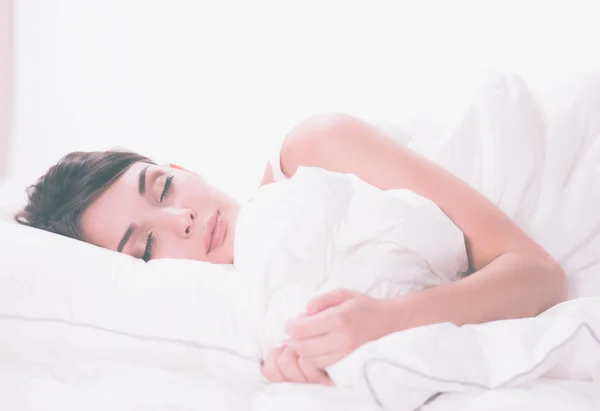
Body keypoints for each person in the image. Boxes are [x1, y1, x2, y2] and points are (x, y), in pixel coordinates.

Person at [15, 113, 568, 386]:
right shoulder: (256, 322)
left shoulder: (311, 153)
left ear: (181, 169)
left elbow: (538, 273)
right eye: (147, 245)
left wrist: (390, 320)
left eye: (162, 187)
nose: (180, 217)